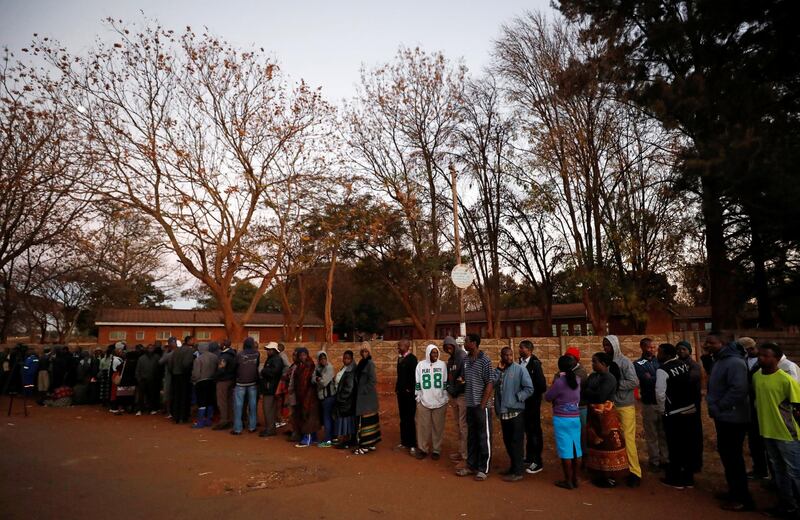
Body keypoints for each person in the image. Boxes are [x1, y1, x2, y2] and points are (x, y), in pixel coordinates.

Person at [704, 331, 754, 512]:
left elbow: (739, 390)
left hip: (733, 418)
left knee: (734, 458)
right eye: (706, 342)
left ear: (723, 343)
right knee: (727, 455)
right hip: (724, 417)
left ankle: (743, 499)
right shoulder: (719, 360)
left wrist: (719, 407)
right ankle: (734, 491)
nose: (706, 345)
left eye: (711, 342)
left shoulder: (734, 362)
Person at [752, 342, 800, 518]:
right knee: (779, 472)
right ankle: (788, 506)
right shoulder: (756, 376)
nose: (761, 358)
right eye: (760, 355)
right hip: (767, 431)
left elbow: (797, 407)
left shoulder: (786, 379)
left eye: (765, 356)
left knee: (795, 472)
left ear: (777, 359)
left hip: (787, 434)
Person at [656, 342, 699, 489]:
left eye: (660, 352)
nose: (657, 354)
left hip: (674, 412)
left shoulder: (662, 370)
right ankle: (688, 478)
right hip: (689, 409)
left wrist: (663, 411)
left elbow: (660, 394)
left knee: (674, 446)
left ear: (667, 354)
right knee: (687, 445)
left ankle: (675, 478)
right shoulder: (682, 364)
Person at [584, 352, 628, 488]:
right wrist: (591, 393)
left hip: (606, 416)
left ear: (603, 364)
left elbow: (600, 396)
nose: (592, 364)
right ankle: (600, 473)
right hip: (594, 414)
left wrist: (590, 393)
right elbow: (585, 391)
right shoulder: (593, 376)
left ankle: (611, 477)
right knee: (596, 442)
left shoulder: (610, 378)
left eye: (595, 361)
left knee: (608, 443)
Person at [603, 335, 641, 487]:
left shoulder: (624, 362)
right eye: (604, 345)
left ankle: (635, 472)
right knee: (612, 438)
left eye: (608, 345)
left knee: (628, 438)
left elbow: (634, 381)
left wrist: (616, 385)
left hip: (625, 404)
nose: (606, 347)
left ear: (615, 345)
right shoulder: (605, 361)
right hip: (610, 405)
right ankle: (617, 468)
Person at [455, 333, 494, 481]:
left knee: (484, 437)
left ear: (474, 343)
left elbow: (490, 382)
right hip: (470, 404)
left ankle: (484, 469)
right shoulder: (466, 360)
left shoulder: (485, 360)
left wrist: (483, 404)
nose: (464, 344)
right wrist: (461, 380)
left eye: (466, 341)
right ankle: (471, 465)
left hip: (481, 405)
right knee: (472, 436)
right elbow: (466, 378)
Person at [492, 346, 533, 482]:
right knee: (508, 442)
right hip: (504, 413)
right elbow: (492, 383)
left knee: (516, 442)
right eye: (505, 355)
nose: (508, 357)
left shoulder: (520, 369)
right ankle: (513, 467)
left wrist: (517, 397)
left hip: (516, 412)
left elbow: (529, 388)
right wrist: (498, 370)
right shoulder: (500, 370)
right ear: (501, 356)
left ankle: (518, 471)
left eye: (510, 355)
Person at [545, 355, 582, 490]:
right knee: (575, 448)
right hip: (575, 417)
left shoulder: (559, 382)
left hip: (562, 418)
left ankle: (568, 481)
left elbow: (548, 397)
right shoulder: (578, 380)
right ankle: (575, 479)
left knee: (565, 450)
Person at [736, 336, 769, 481]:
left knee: (766, 442)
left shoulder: (764, 362)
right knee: (754, 441)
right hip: (749, 407)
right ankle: (760, 469)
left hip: (762, 405)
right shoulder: (743, 360)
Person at [635, 337, 669, 471]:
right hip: (648, 403)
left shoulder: (660, 361)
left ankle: (665, 460)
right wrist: (658, 378)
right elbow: (646, 380)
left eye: (654, 347)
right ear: (642, 347)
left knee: (663, 433)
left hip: (663, 402)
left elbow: (665, 378)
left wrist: (654, 377)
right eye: (649, 347)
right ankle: (654, 461)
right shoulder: (638, 363)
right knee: (651, 435)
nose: (652, 349)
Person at [414, 344, 449, 461]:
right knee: (422, 426)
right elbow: (417, 382)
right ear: (428, 353)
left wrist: (445, 397)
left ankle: (436, 450)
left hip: (440, 401)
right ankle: (423, 448)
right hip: (424, 400)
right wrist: (418, 396)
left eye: (436, 352)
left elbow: (445, 382)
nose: (435, 354)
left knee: (438, 427)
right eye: (432, 352)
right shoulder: (420, 365)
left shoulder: (443, 365)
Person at [518, 340, 547, 474]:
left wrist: (529, 394)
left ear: (529, 350)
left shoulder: (535, 364)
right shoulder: (520, 363)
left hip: (532, 404)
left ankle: (537, 461)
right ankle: (529, 457)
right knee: (528, 431)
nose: (519, 350)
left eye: (522, 348)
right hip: (523, 404)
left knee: (535, 431)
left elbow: (541, 385)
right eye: (519, 348)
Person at [676, 340, 704, 473]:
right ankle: (685, 460)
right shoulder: (677, 364)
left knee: (694, 434)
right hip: (681, 404)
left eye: (684, 349)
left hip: (692, 403)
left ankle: (695, 463)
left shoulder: (694, 365)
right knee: (683, 434)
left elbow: (687, 380)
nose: (681, 352)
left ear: (689, 351)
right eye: (679, 349)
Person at [443, 336, 468, 467]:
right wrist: (449, 389)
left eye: (450, 346)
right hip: (453, 395)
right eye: (446, 347)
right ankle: (461, 451)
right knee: (458, 425)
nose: (448, 349)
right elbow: (449, 377)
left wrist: (455, 390)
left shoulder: (462, 357)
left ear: (454, 345)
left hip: (462, 395)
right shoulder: (450, 360)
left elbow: (463, 378)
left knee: (464, 426)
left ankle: (466, 456)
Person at [353, 342, 381, 455]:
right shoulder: (361, 363)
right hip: (363, 398)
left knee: (367, 421)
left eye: (366, 351)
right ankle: (370, 444)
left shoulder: (369, 364)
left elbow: (373, 380)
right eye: (363, 351)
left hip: (367, 398)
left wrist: (363, 390)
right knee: (367, 420)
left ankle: (365, 445)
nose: (364, 353)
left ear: (369, 352)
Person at [231, 337, 260, 435]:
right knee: (253, 405)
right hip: (253, 382)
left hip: (240, 383)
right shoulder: (257, 354)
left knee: (238, 406)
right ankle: (252, 426)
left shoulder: (239, 354)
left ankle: (238, 429)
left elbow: (234, 367)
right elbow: (257, 366)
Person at [292, 347, 320, 447]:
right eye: (300, 355)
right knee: (310, 416)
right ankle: (313, 437)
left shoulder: (309, 365)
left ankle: (307, 439)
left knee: (307, 416)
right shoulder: (300, 366)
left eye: (304, 355)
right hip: (303, 396)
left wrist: (303, 395)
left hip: (309, 395)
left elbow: (304, 382)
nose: (302, 357)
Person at [396, 339, 418, 454]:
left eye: (400, 345)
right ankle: (404, 441)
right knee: (403, 418)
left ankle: (412, 444)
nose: (398, 347)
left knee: (410, 418)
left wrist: (410, 389)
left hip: (409, 395)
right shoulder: (400, 358)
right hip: (401, 393)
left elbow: (415, 376)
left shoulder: (412, 359)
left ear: (406, 346)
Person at [333, 350, 357, 449]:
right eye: (344, 358)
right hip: (344, 400)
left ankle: (346, 441)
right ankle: (346, 440)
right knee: (345, 421)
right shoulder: (345, 368)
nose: (345, 360)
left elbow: (349, 388)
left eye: (347, 358)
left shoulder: (351, 370)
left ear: (351, 359)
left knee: (346, 422)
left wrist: (340, 398)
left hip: (346, 401)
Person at [191, 342, 218, 428]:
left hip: (201, 382)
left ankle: (200, 422)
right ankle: (208, 420)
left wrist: (193, 380)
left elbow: (196, 374)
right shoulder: (215, 357)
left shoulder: (198, 359)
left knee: (201, 402)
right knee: (210, 401)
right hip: (212, 381)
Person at [258, 342, 283, 438]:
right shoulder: (273, 359)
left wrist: (264, 371)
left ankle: (270, 429)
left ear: (274, 350)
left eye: (269, 349)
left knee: (268, 409)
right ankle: (270, 428)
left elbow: (274, 372)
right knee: (269, 409)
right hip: (269, 387)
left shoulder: (276, 359)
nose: (267, 351)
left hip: (271, 387)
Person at [169, 336, 195, 424]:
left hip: (175, 375)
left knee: (176, 396)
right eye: (192, 340)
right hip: (184, 376)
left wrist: (173, 371)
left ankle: (176, 416)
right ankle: (183, 417)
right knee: (185, 396)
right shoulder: (190, 351)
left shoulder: (176, 351)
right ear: (188, 341)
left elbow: (170, 364)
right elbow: (186, 364)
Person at [213, 339, 237, 430]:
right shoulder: (233, 354)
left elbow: (221, 370)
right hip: (231, 380)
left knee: (221, 401)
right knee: (229, 401)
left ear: (224, 345)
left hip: (223, 381)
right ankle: (230, 419)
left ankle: (223, 421)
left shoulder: (224, 356)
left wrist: (215, 377)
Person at [314, 351, 336, 447]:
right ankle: (331, 437)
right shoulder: (318, 367)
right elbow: (312, 378)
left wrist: (318, 379)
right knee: (327, 418)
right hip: (322, 397)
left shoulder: (329, 368)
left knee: (327, 418)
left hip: (329, 397)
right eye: (321, 359)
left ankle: (328, 440)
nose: (323, 360)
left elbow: (324, 382)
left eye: (324, 358)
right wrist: (318, 379)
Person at [135, 344, 161, 415]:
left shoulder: (157, 357)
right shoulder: (141, 358)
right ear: (146, 349)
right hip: (142, 379)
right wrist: (138, 378)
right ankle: (140, 409)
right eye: (149, 348)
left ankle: (151, 409)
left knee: (151, 395)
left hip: (152, 380)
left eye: (152, 348)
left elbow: (159, 369)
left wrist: (157, 378)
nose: (150, 350)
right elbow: (138, 369)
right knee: (141, 396)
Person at [159, 339, 175, 417]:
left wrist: (165, 352)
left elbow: (160, 362)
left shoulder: (169, 354)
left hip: (169, 376)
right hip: (178, 376)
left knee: (168, 395)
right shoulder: (178, 352)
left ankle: (169, 412)